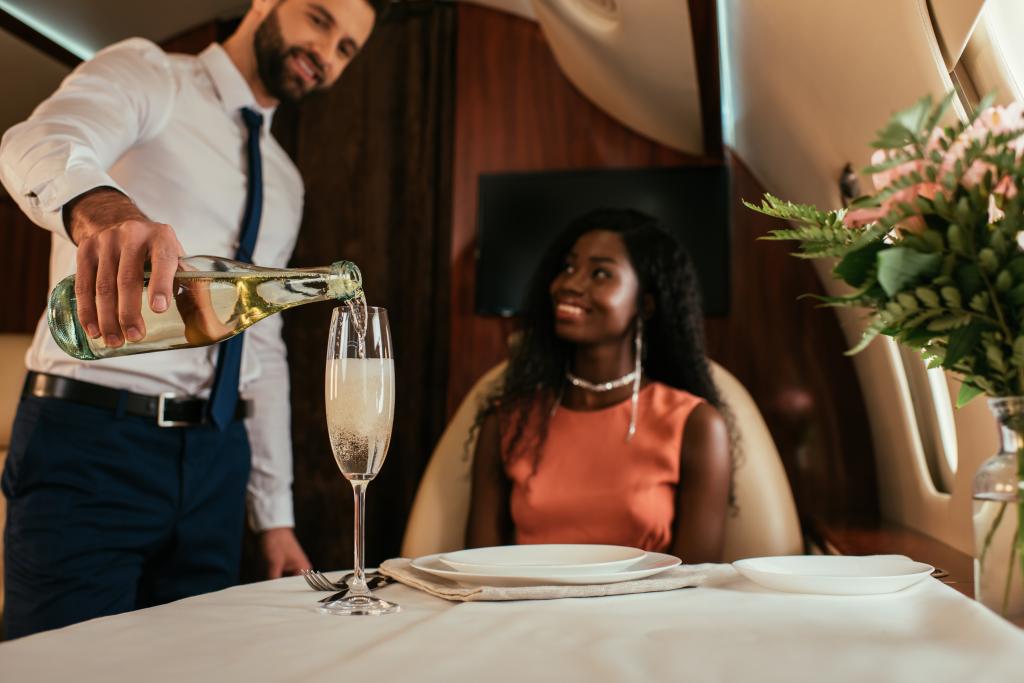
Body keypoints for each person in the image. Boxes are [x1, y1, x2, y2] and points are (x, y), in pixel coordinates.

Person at [0, 0, 381, 639]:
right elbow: (38, 138)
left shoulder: (286, 183)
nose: (326, 51)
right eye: (319, 19)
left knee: (194, 666)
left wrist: (275, 517)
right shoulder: (154, 75)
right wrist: (103, 210)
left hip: (215, 463)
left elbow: (263, 350)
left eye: (346, 48)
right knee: (58, 665)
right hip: (93, 440)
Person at [465, 208, 733, 562]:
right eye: (568, 267)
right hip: (525, 614)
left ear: (646, 304)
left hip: (650, 617)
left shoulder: (696, 426)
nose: (570, 284)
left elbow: (697, 583)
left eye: (600, 273)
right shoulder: (506, 422)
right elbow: (477, 570)